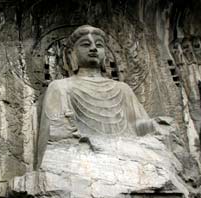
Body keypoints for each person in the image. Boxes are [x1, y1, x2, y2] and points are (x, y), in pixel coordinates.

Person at [38, 25, 154, 164]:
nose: (93, 48)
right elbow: (53, 137)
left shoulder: (123, 89)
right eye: (86, 45)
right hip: (84, 160)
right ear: (71, 54)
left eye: (99, 45)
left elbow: (139, 126)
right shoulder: (61, 87)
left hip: (129, 156)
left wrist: (155, 126)